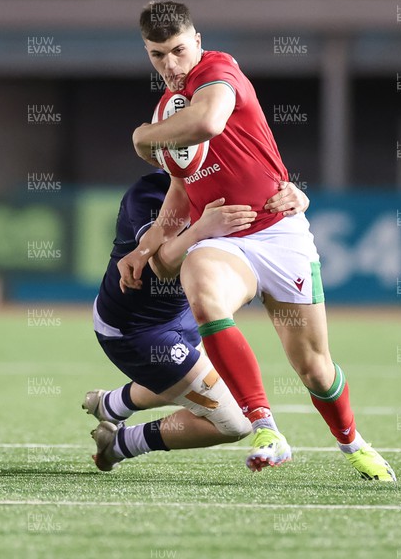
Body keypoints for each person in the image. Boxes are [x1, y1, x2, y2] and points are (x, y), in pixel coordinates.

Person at [118, 0, 396, 482]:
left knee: (315, 368)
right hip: (224, 239)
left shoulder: (219, 70)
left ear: (197, 41)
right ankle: (265, 427)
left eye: (178, 51)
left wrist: (144, 136)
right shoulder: (169, 108)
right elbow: (183, 189)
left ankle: (352, 443)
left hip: (278, 231)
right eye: (157, 55)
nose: (171, 65)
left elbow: (209, 123)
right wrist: (145, 247)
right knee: (203, 290)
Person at [85, 170, 309, 471]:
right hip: (137, 329)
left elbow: (274, 219)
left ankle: (112, 404)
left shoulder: (232, 180)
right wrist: (202, 228)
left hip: (186, 314)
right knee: (236, 422)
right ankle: (121, 444)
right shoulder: (151, 192)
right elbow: (158, 266)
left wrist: (298, 199)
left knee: (196, 380)